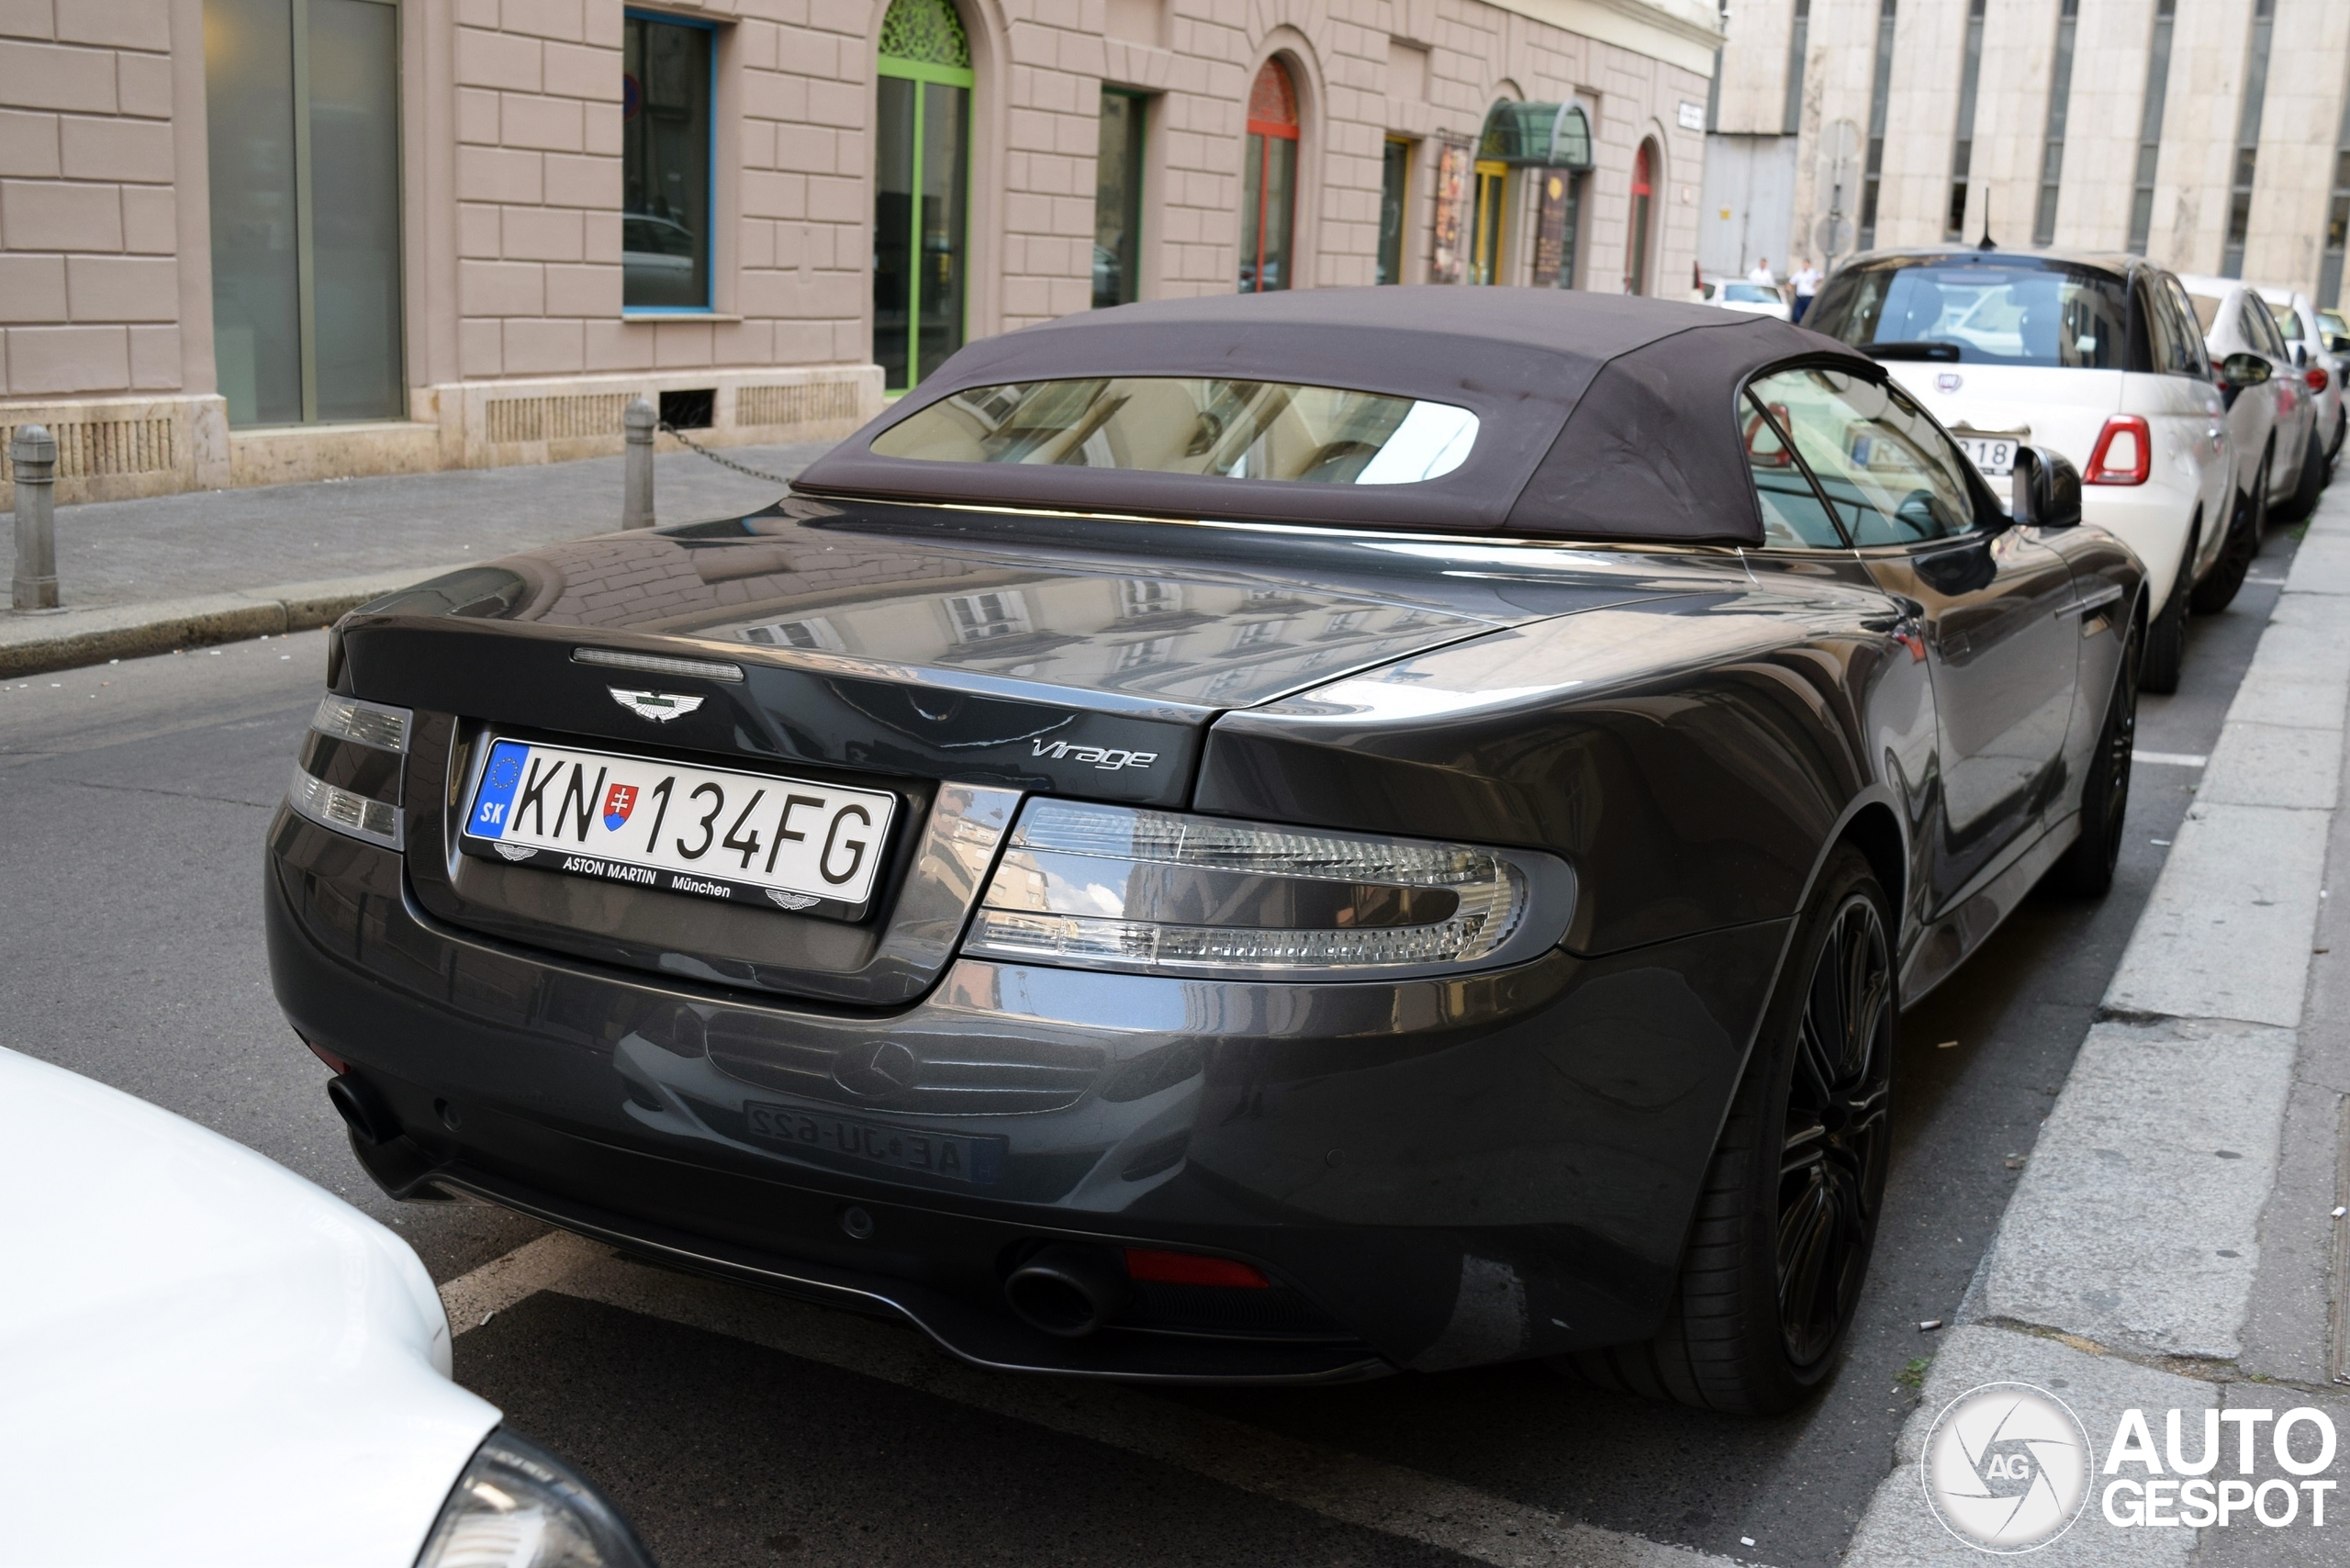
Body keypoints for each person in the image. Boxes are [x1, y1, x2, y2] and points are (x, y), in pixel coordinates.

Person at [1790, 257, 1823, 323]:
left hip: (1809, 298)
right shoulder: (1799, 273)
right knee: (1797, 316)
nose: (1805, 266)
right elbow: (1792, 282)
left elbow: (1821, 277)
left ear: (1809, 265)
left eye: (1807, 264)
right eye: (1804, 264)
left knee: (1808, 316)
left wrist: (1816, 283)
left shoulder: (1813, 272)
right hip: (1800, 298)